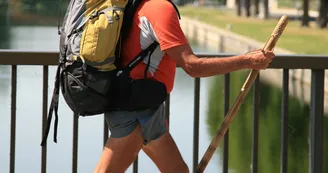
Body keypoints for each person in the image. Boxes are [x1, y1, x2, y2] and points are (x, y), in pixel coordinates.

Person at [93, 0, 275, 172]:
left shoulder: (139, 5)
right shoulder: (160, 9)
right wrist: (247, 61)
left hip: (143, 107)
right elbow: (192, 66)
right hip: (134, 113)